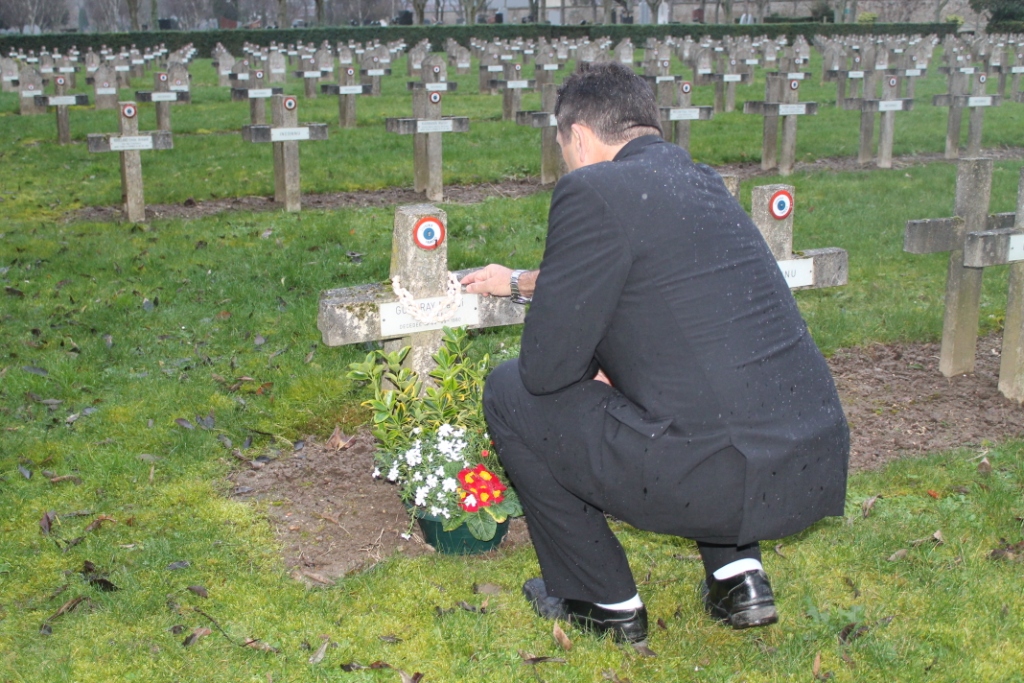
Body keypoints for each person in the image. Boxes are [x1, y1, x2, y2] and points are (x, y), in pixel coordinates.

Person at [461, 62, 849, 645]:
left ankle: (602, 598)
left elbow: (548, 370)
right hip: (805, 458)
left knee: (512, 390)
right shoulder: (700, 181)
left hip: (716, 474)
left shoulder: (589, 188)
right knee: (706, 384)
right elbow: (653, 284)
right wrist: (519, 281)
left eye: (562, 146)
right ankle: (738, 576)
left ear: (581, 136)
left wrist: (601, 368)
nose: (565, 160)